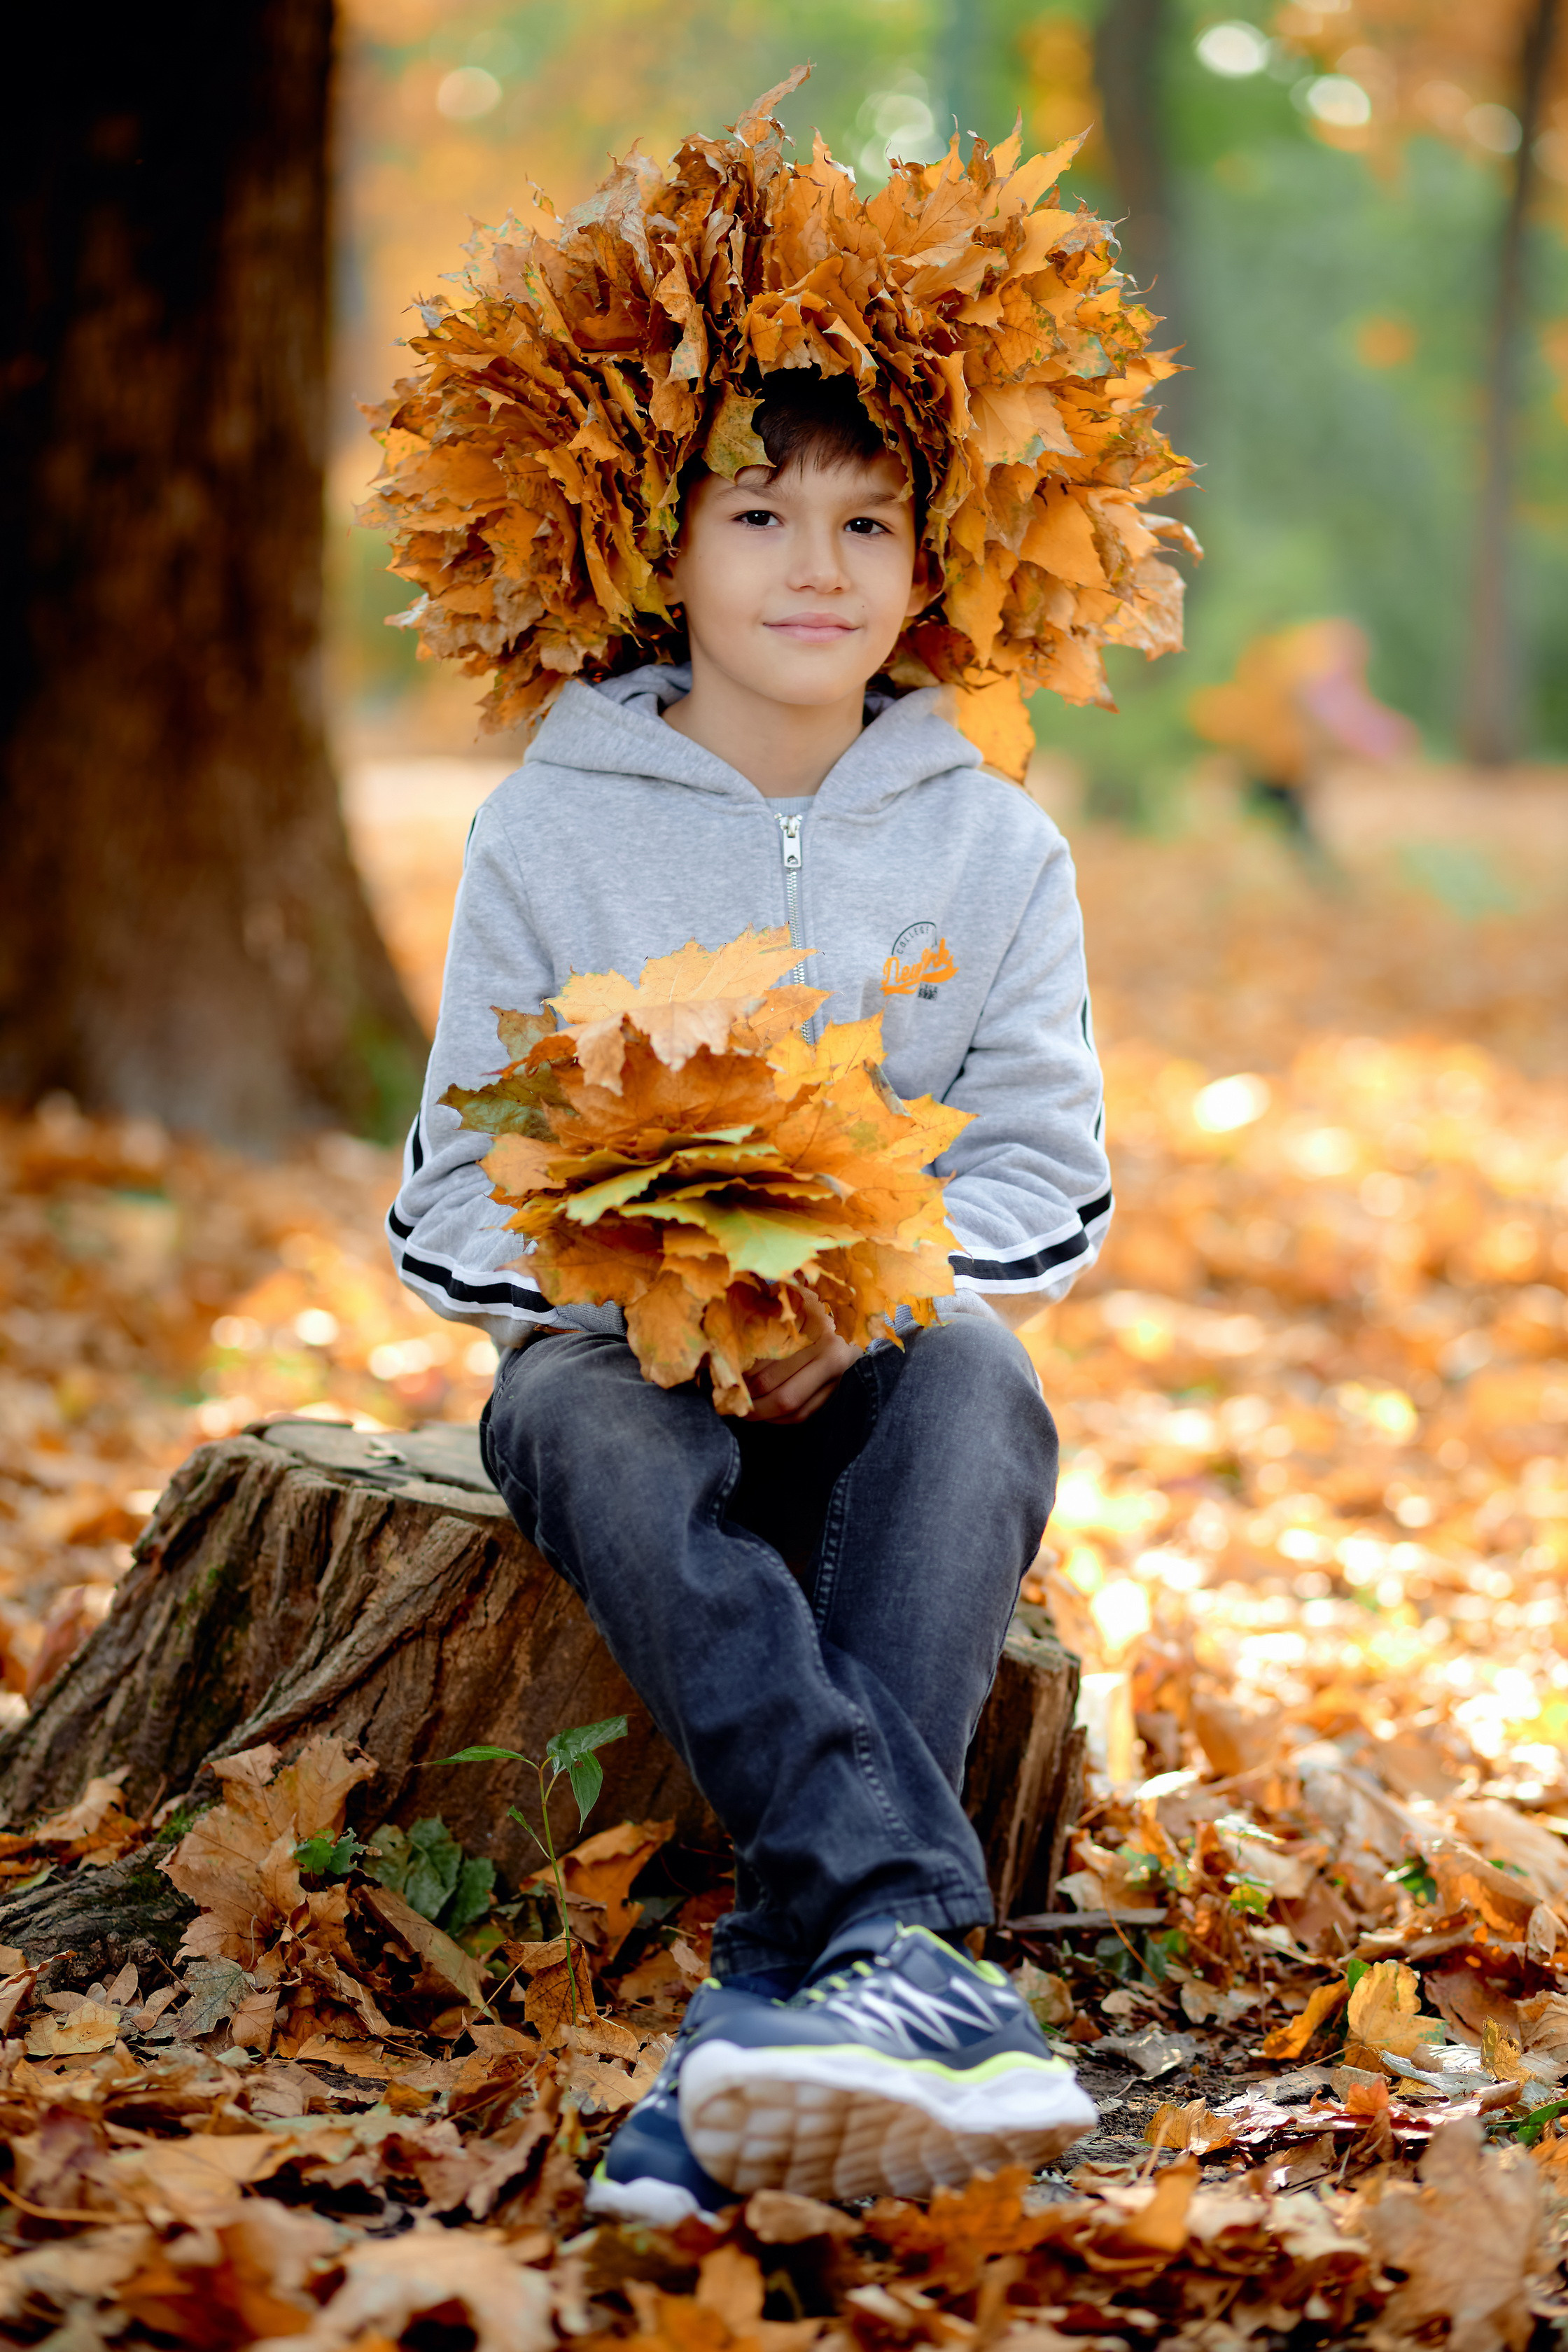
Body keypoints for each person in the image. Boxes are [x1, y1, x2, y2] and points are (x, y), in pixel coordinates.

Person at [377, 77, 1190, 2222]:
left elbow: (1045, 1164)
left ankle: (774, 2003)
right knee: (577, 1411)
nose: (815, 567)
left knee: (986, 1377)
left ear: (933, 562)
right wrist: (662, 1299)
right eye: (758, 515)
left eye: (866, 523)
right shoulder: (548, 830)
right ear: (660, 546)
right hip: (622, 1382)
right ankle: (904, 1934)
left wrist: (864, 1293)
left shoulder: (994, 846)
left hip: (892, 1372)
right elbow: (450, 1195)